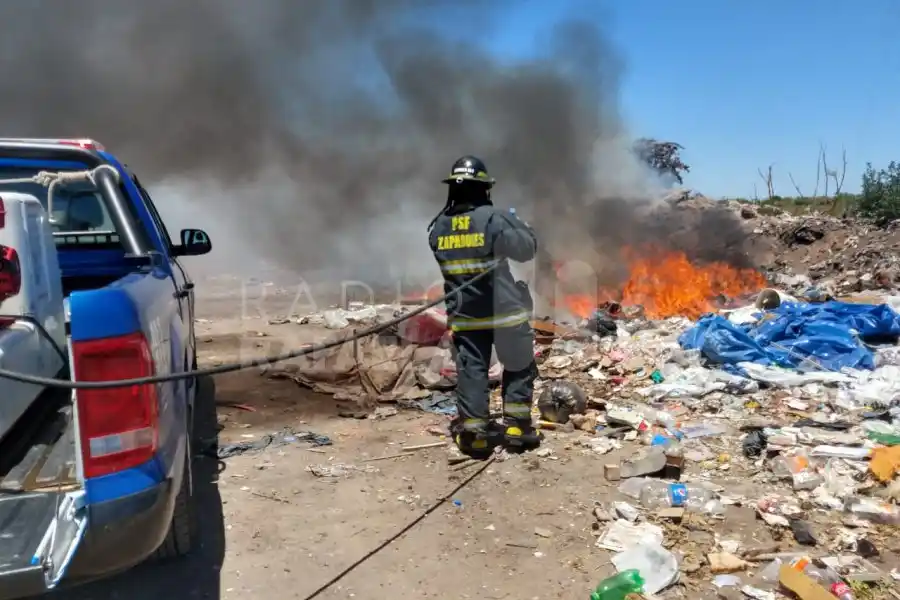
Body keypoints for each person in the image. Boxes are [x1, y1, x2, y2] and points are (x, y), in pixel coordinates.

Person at [427, 155, 542, 458]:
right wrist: (521, 225)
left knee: (472, 372)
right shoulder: (495, 218)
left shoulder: (439, 227)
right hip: (504, 312)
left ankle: (475, 435)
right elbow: (526, 251)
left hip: (466, 315)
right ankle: (517, 428)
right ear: (484, 188)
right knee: (518, 365)